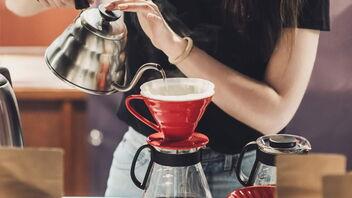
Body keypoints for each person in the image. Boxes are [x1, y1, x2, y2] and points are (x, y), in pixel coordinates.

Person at [5, 0, 330, 197]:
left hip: (245, 172)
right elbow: (17, 5)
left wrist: (177, 48)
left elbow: (273, 112)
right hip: (145, 159)